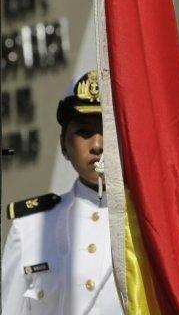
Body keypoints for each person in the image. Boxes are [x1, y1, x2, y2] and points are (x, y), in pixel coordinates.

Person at [2, 71, 121, 314]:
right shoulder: (30, 227)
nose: (98, 144)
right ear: (63, 145)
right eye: (84, 132)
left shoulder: (154, 221)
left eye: (108, 128)